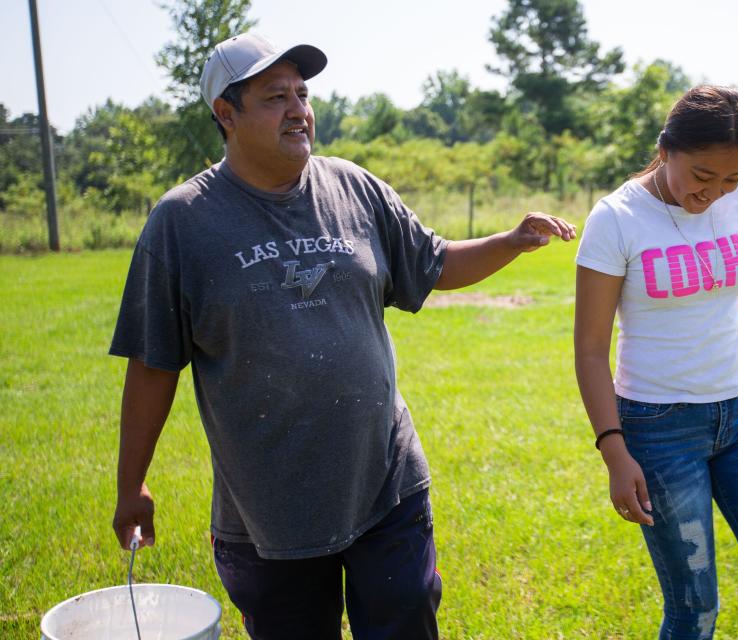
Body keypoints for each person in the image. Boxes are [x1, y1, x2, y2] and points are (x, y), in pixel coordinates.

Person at [109, 32, 575, 640]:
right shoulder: (183, 223)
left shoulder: (353, 188)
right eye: (275, 97)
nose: (299, 110)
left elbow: (431, 264)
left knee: (406, 620)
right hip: (268, 510)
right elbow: (152, 365)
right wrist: (132, 484)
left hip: (386, 480)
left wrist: (510, 241)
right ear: (226, 113)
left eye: (302, 94)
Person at [574, 85, 738, 639]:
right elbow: (590, 350)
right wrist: (613, 448)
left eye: (730, 178)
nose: (715, 192)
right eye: (703, 176)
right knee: (695, 612)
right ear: (665, 149)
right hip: (658, 429)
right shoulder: (615, 218)